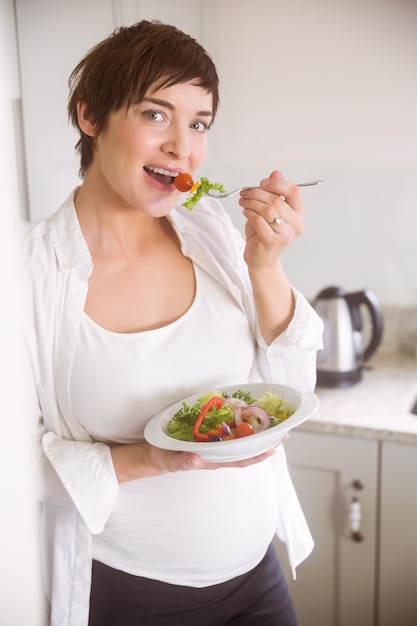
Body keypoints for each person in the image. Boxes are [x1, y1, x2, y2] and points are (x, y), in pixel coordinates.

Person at [22, 20, 323, 626]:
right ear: (90, 116)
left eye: (199, 123)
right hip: (132, 599)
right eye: (156, 115)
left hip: (258, 582)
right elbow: (12, 466)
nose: (182, 147)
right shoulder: (27, 274)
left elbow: (294, 386)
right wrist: (151, 459)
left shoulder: (210, 230)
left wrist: (265, 266)